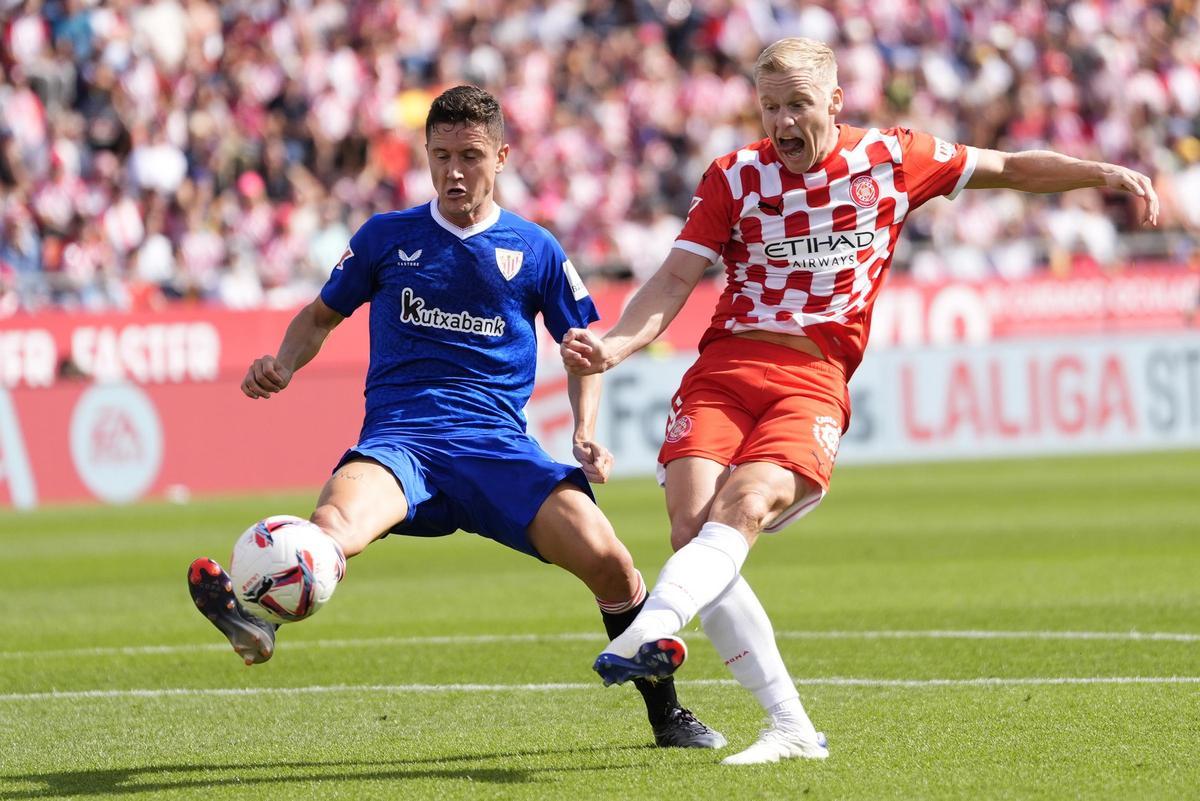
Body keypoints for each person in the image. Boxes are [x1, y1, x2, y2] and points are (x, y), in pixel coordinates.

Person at [560, 37, 1159, 765]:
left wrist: (1102, 171)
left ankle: (650, 630)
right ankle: (790, 727)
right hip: (722, 370)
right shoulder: (736, 174)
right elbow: (674, 279)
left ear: (836, 102)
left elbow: (1008, 167)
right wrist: (619, 347)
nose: (782, 123)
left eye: (798, 105)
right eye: (771, 106)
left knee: (743, 506)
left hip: (811, 378)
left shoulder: (893, 157)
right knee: (694, 535)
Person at [187, 85, 724, 750]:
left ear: (501, 156)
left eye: (470, 155)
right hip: (402, 442)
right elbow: (321, 314)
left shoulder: (535, 249)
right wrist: (285, 363)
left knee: (612, 564)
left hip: (500, 449)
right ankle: (255, 615)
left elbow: (581, 349)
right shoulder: (387, 238)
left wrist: (586, 430)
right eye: (441, 155)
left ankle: (667, 715)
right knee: (328, 529)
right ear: (426, 155)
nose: (455, 171)